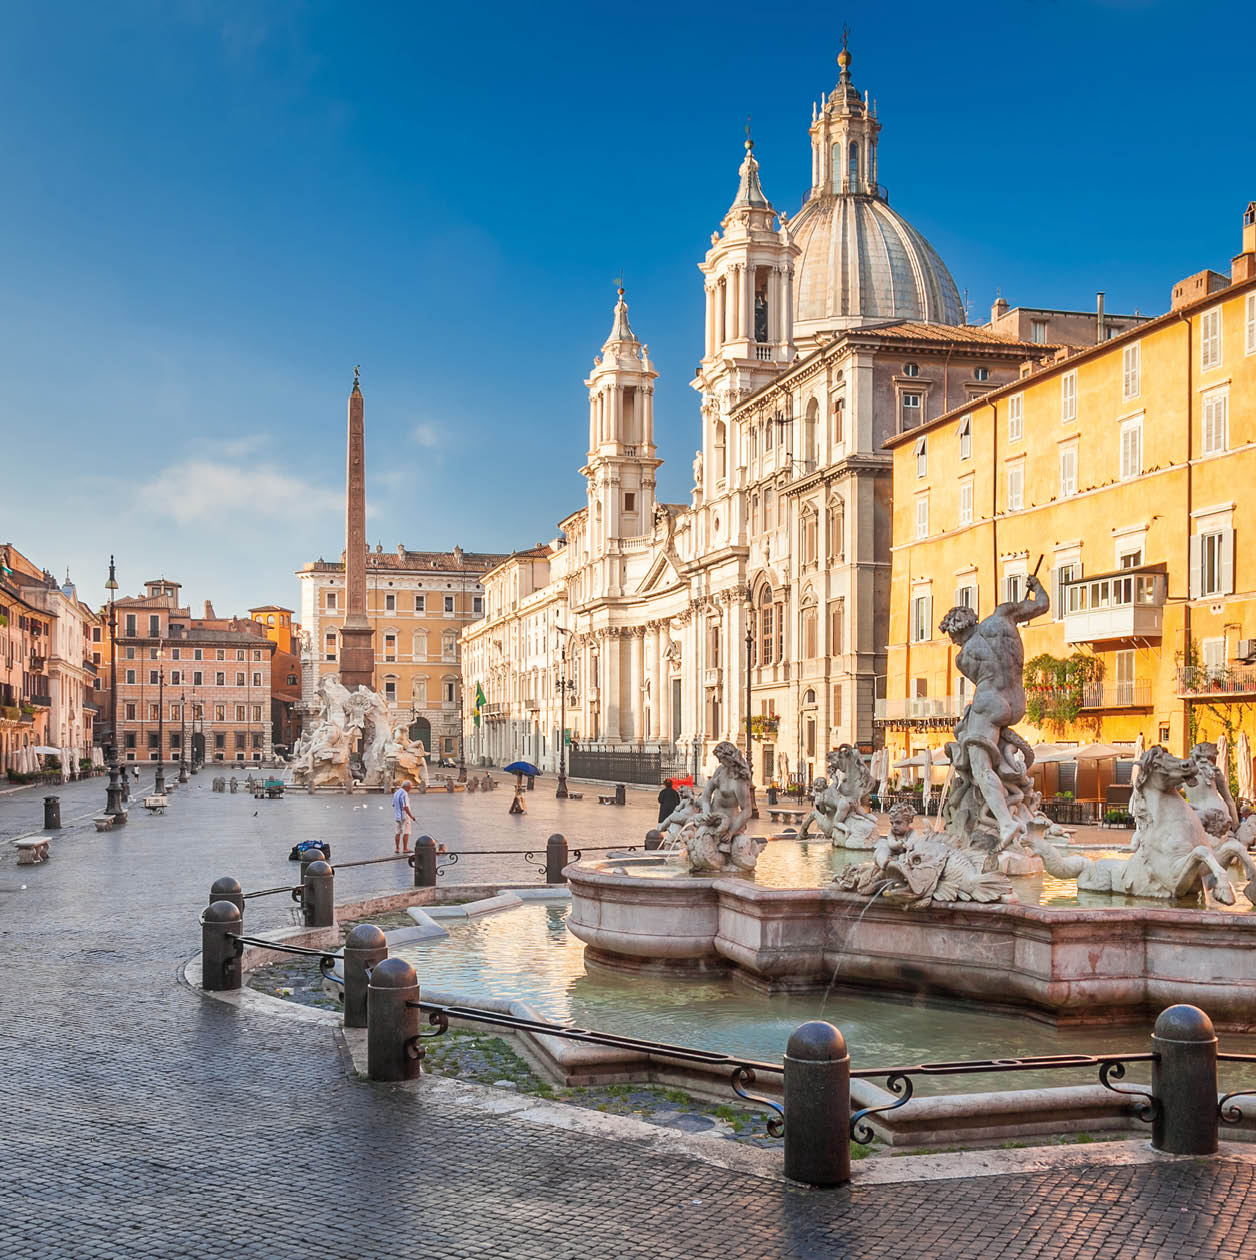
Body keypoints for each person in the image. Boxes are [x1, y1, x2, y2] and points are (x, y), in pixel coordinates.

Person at [392, 779, 416, 854]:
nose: (410, 789)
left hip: (397, 815)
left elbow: (393, 804)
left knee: (398, 832)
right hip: (404, 816)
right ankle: (405, 848)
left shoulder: (396, 793)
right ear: (407, 787)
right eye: (410, 787)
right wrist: (411, 816)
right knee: (406, 832)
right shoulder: (404, 794)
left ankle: (397, 848)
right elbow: (405, 806)